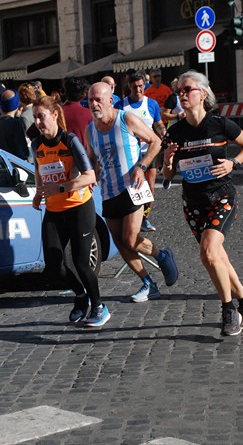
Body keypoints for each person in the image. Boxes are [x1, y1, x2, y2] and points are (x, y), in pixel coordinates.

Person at [162, 70, 243, 336]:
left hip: (222, 197)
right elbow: (169, 175)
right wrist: (168, 162)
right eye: (179, 91)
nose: (182, 95)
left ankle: (229, 309)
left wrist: (234, 162)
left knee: (208, 252)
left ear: (203, 94)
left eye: (187, 90)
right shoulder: (175, 132)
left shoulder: (220, 124)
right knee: (217, 257)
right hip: (193, 203)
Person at [85, 81, 178, 303]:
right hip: (108, 191)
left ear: (110, 100)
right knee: (119, 241)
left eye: (98, 99)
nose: (94, 104)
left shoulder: (126, 119)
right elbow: (92, 159)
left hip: (132, 188)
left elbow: (155, 141)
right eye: (90, 100)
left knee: (131, 238)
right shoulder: (90, 130)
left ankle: (162, 256)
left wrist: (142, 166)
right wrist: (90, 176)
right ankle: (148, 283)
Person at [32, 94, 110, 328]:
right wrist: (38, 192)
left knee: (81, 263)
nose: (37, 122)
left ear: (55, 115)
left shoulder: (70, 140)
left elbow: (90, 176)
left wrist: (61, 186)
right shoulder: (37, 144)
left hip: (79, 208)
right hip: (54, 210)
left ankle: (99, 306)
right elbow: (39, 169)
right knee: (54, 265)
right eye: (35, 117)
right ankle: (80, 296)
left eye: (41, 117)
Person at [115, 70, 166, 232]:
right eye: (135, 86)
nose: (138, 89)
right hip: (129, 154)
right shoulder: (121, 105)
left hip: (148, 152)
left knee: (150, 186)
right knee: (129, 187)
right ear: (129, 86)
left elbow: (158, 124)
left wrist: (164, 134)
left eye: (141, 86)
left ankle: (144, 218)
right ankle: (128, 215)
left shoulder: (152, 104)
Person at [0, 90, 29, 160]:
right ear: (16, 104)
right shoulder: (15, 124)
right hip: (17, 165)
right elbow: (23, 153)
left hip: (4, 164)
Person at [61, 77, 92, 147]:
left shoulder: (55, 113)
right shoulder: (89, 114)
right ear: (84, 95)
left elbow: (31, 132)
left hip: (59, 156)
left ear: (65, 93)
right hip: (84, 155)